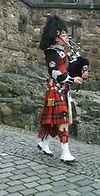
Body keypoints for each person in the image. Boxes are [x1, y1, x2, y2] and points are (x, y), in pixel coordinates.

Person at [37, 15, 88, 164]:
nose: (66, 37)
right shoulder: (51, 53)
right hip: (56, 90)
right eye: (64, 34)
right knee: (63, 120)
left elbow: (69, 69)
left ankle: (44, 143)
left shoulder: (62, 52)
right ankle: (65, 153)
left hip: (63, 90)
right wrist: (73, 79)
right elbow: (56, 73)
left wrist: (81, 71)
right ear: (56, 36)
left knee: (54, 120)